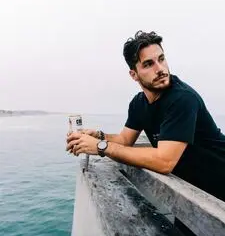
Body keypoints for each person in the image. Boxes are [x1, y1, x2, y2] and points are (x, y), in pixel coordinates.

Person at [66, 31, 225, 202]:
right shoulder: (138, 104)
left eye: (161, 59)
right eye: (148, 64)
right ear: (134, 74)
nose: (160, 69)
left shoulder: (182, 99)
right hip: (196, 192)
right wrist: (98, 136)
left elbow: (164, 161)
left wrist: (100, 146)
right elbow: (124, 140)